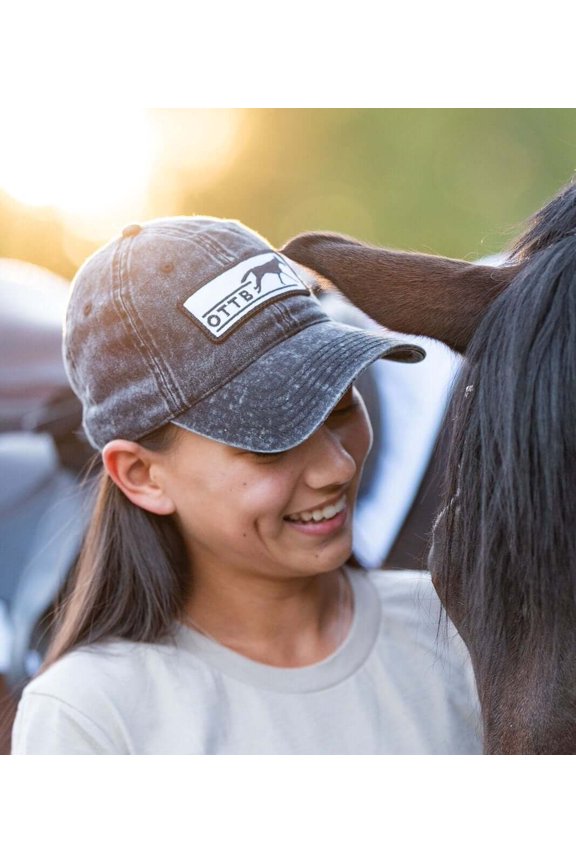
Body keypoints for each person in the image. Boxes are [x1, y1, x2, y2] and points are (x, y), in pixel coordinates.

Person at [11, 217, 482, 755]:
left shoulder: (460, 628)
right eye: (272, 443)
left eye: (342, 407)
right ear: (141, 476)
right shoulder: (88, 717)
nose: (337, 467)